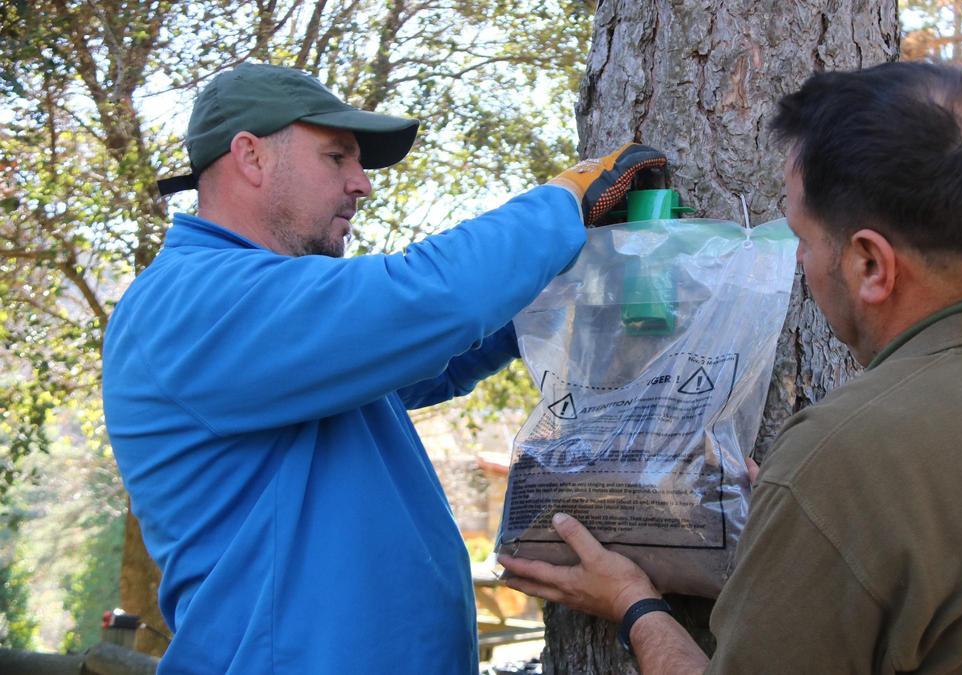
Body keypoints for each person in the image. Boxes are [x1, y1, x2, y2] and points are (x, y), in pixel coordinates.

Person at [499, 61, 962, 673]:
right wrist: (792, 547)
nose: (800, 265)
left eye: (801, 238)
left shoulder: (847, 458)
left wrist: (632, 603)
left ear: (869, 263)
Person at [102, 62, 664, 673]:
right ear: (251, 156)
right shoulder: (192, 301)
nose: (361, 184)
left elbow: (439, 352)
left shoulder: (275, 317)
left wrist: (561, 271)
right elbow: (428, 298)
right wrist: (561, 206)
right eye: (337, 157)